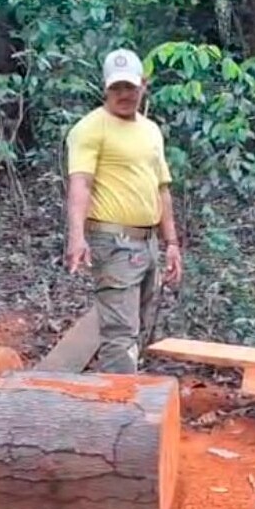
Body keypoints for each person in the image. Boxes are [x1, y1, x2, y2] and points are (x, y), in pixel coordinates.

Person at [63, 48, 184, 373]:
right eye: (116, 88)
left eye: (130, 87)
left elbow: (162, 189)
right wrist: (77, 238)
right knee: (120, 333)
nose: (124, 95)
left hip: (148, 243)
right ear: (105, 89)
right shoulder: (90, 128)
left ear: (143, 85)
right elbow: (81, 185)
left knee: (138, 326)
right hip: (112, 241)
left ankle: (125, 399)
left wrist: (171, 243)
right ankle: (120, 411)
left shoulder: (151, 131)